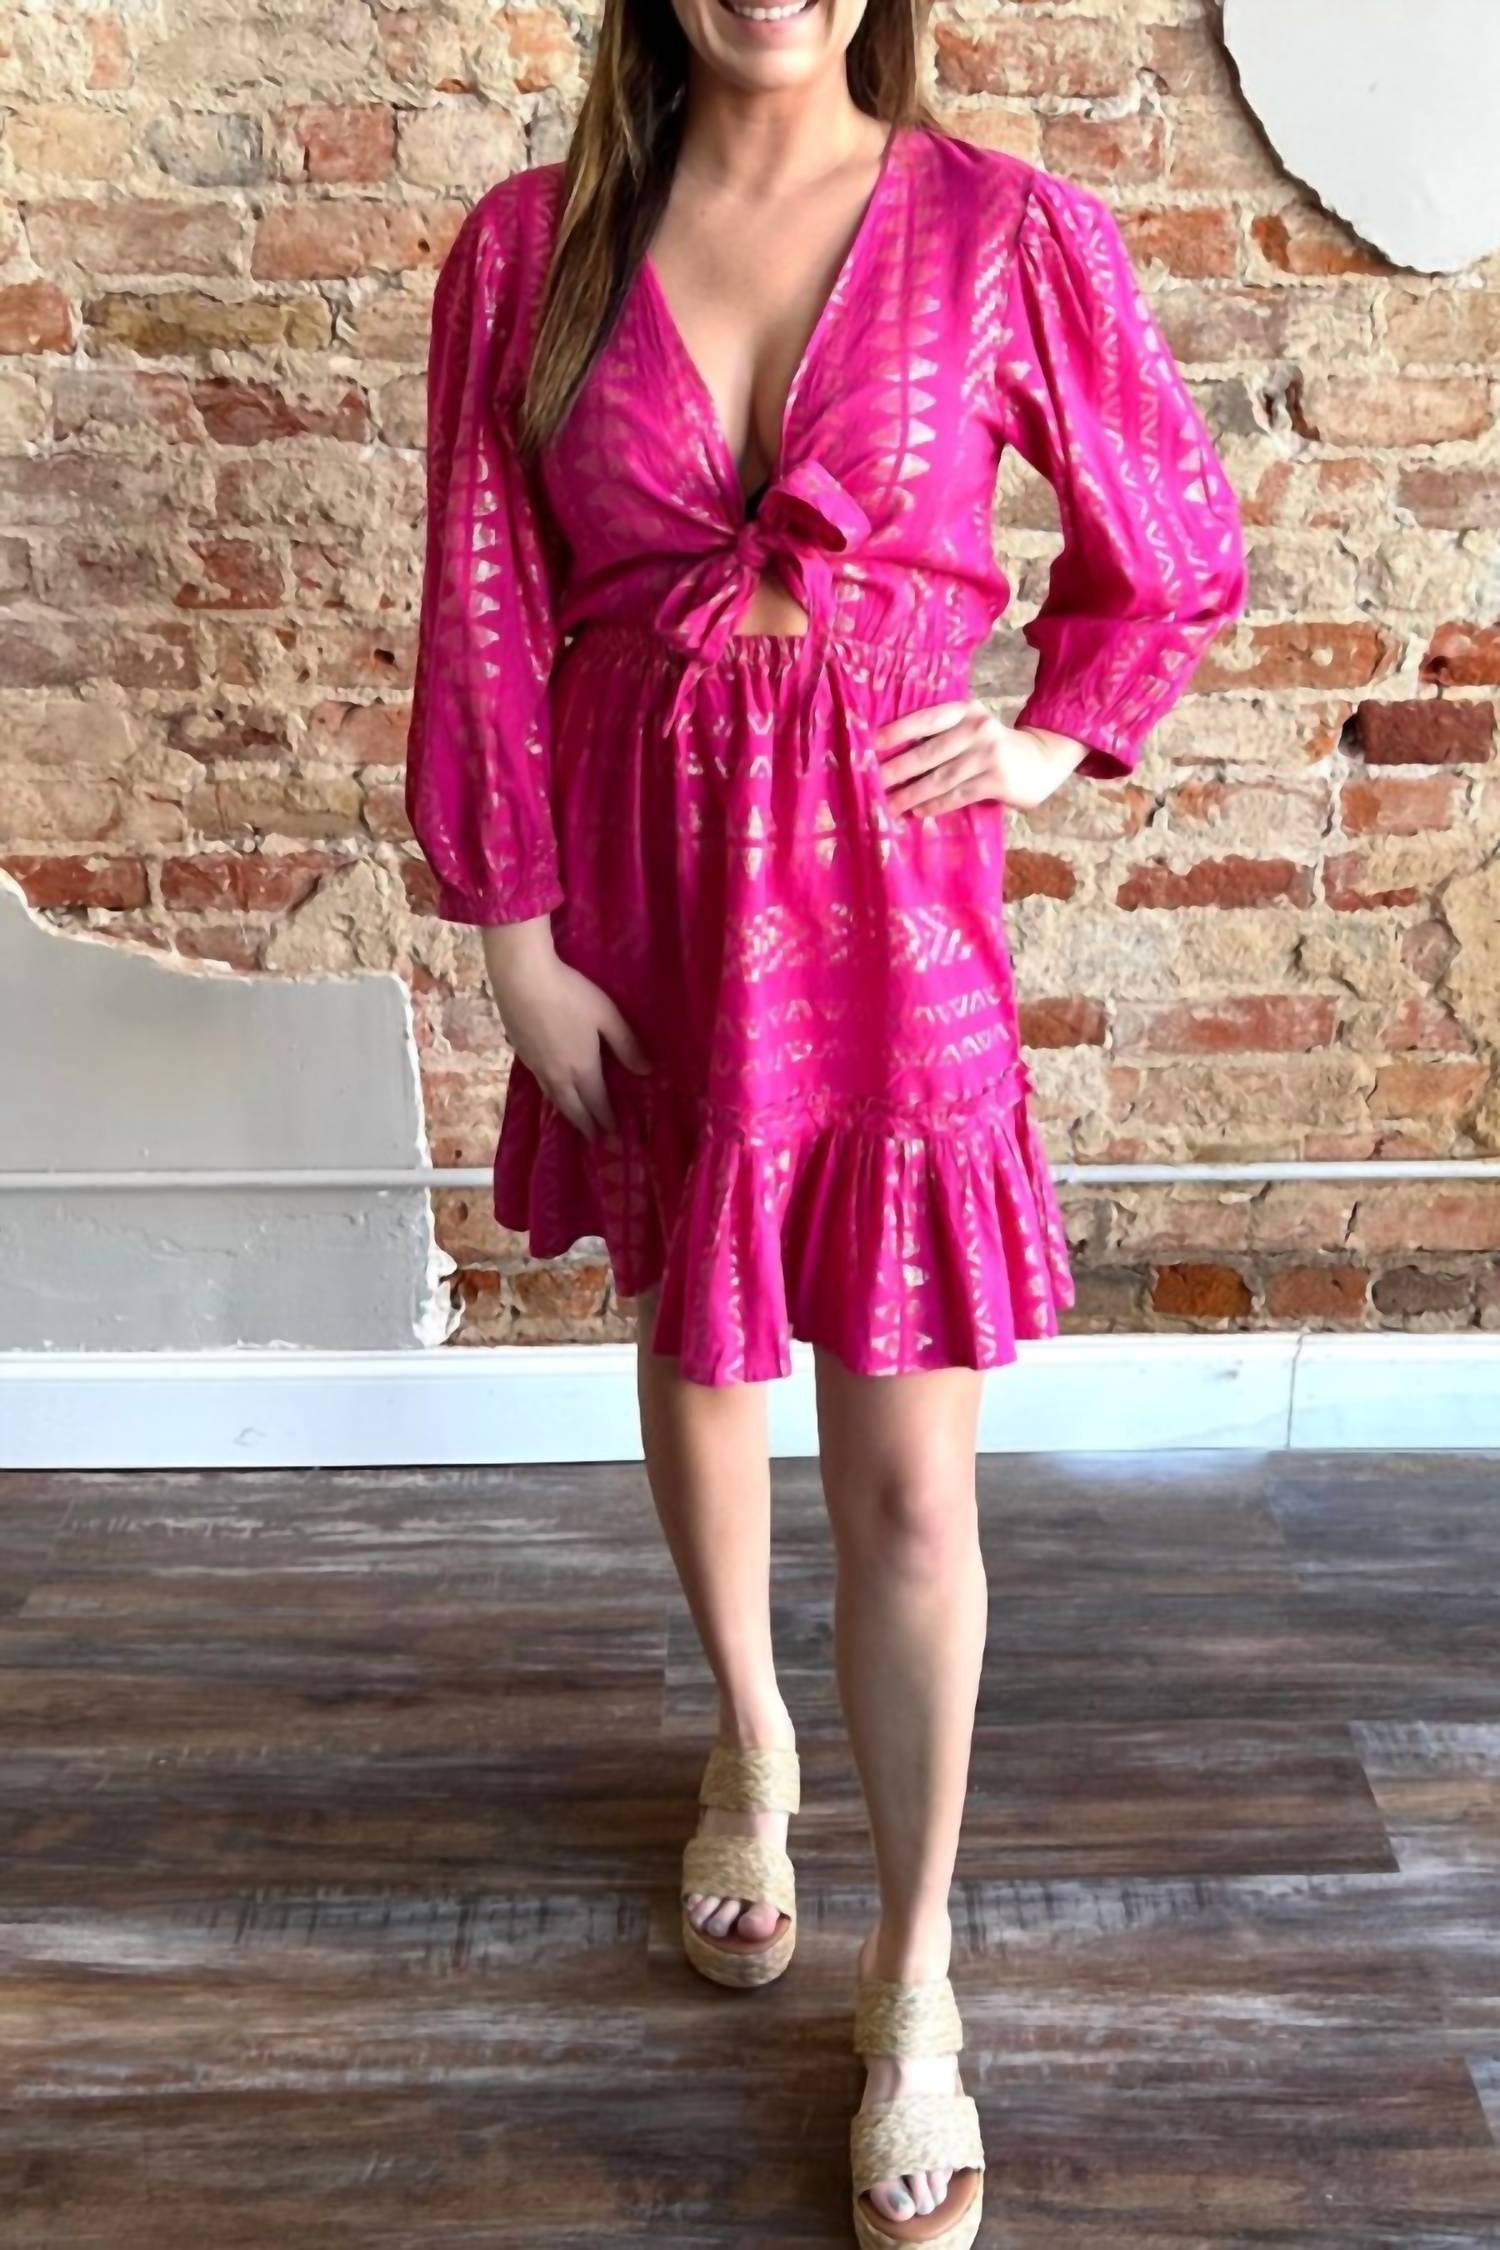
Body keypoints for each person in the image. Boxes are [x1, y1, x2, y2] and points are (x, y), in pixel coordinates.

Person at [404, 0, 1248, 2238]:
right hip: (647, 892)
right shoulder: (532, 249)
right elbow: (480, 599)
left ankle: (919, 1975)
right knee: (694, 1333)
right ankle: (752, 1737)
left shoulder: (1002, 230)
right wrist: (512, 934)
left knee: (912, 1481)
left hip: (893, 910)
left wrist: (1058, 732)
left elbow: (1171, 535)